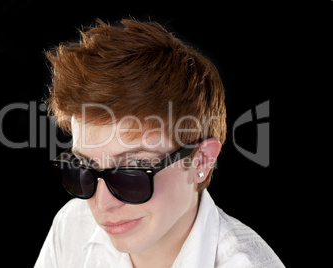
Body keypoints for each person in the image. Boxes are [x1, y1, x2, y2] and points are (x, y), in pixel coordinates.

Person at [35, 18, 284, 267]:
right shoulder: (71, 226)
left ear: (202, 160)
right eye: (83, 168)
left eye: (132, 170)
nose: (102, 204)